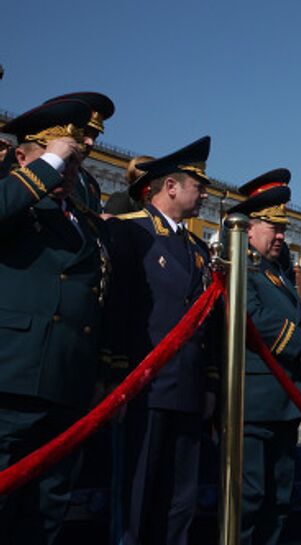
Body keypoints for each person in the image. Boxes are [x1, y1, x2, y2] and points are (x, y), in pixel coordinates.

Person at [0, 98, 110, 544]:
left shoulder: (80, 221)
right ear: (24, 157)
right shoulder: (16, 199)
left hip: (67, 381)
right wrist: (47, 163)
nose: (67, 172)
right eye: (63, 160)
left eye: (72, 164)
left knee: (48, 509)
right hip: (12, 376)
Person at [107, 136, 218, 545]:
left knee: (179, 503)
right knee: (137, 499)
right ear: (170, 186)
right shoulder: (130, 233)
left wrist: (208, 383)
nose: (203, 193)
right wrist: (115, 374)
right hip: (144, 388)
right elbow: (119, 310)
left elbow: (208, 325)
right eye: (197, 184)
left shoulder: (199, 250)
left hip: (187, 391)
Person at [226, 168, 301, 545]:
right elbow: (251, 316)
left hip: (284, 400)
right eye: (274, 228)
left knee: (280, 496)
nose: (282, 236)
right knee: (250, 497)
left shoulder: (274, 271)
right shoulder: (241, 265)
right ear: (249, 227)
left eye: (283, 229)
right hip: (254, 400)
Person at [45, 92, 115, 214]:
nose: (90, 142)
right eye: (85, 133)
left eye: (95, 136)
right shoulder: (35, 170)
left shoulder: (90, 183)